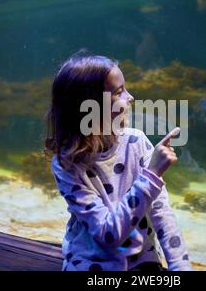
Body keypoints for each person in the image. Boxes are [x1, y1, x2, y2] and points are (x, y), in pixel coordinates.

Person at [46, 53, 192, 271]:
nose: (130, 97)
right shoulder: (67, 164)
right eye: (118, 92)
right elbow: (108, 233)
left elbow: (162, 213)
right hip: (91, 265)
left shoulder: (137, 142)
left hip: (143, 262)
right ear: (90, 106)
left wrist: (180, 267)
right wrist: (151, 175)